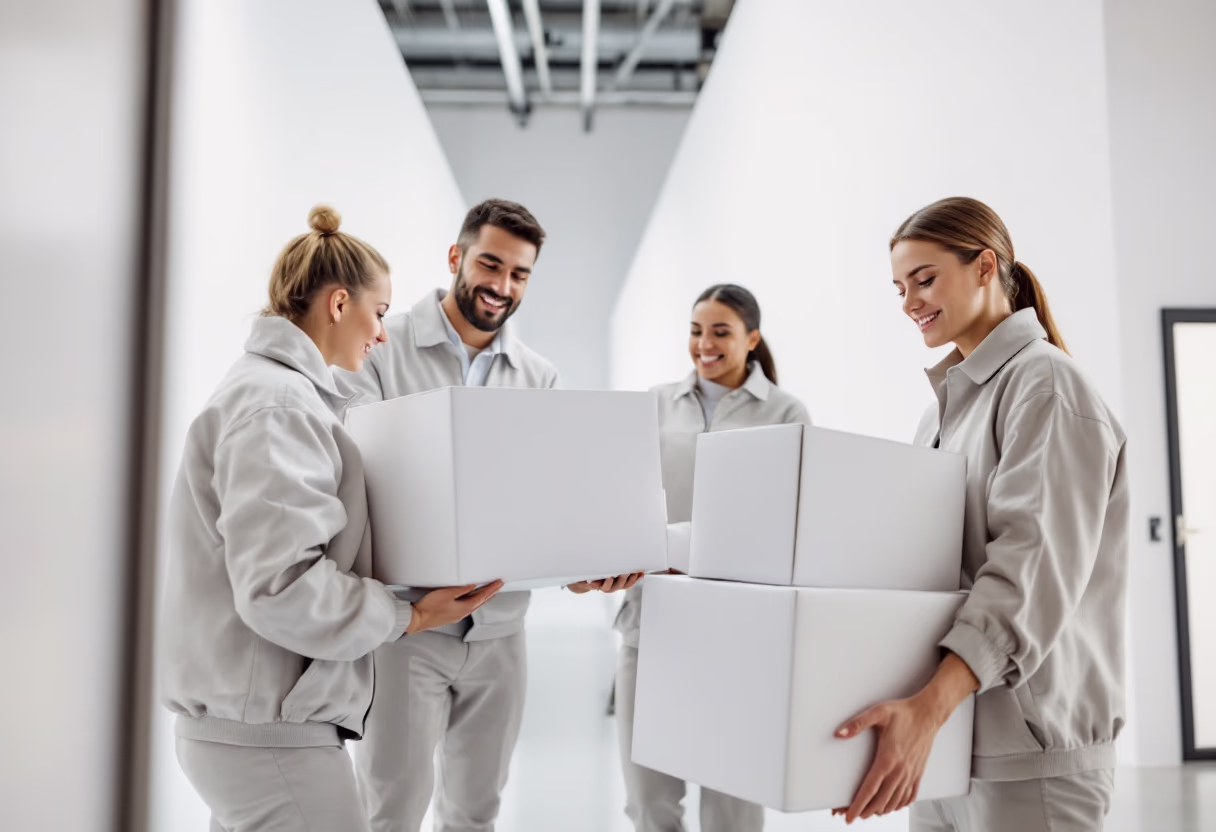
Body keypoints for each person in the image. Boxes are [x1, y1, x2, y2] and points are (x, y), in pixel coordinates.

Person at [159, 206, 502, 831]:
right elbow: (283, 588)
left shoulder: (279, 395)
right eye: (378, 312)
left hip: (250, 726)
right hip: (265, 734)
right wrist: (412, 615)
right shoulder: (279, 406)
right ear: (339, 304)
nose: (383, 334)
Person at [342, 198, 641, 832]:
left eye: (520, 273)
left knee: (477, 811)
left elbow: (551, 502)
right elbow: (360, 480)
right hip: (410, 628)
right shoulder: (382, 348)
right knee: (389, 810)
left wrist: (581, 569)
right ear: (456, 257)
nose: (502, 287)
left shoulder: (538, 376)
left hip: (502, 632)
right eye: (490, 264)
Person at [834, 197, 1128, 831]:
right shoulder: (943, 409)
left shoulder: (1046, 385)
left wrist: (930, 709)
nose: (910, 301)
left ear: (985, 266)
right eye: (899, 288)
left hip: (1027, 753)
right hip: (947, 738)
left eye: (926, 279)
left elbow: (1029, 570)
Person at [614, 284, 811, 832]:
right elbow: (623, 499)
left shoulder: (787, 412)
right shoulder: (653, 403)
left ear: (752, 339)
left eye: (720, 332)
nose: (704, 344)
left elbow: (796, 520)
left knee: (733, 803)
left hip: (739, 630)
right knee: (648, 801)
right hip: (651, 620)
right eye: (696, 331)